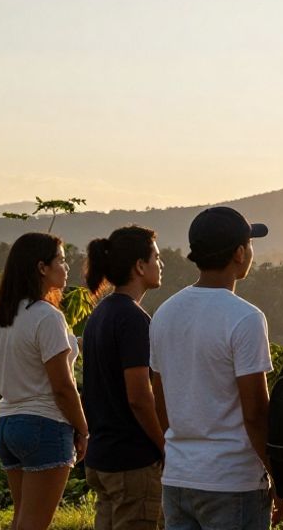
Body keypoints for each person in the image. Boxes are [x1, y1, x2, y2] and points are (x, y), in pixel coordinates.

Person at [150, 207, 283, 530]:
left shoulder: (165, 314)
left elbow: (161, 400)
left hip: (179, 476)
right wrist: (276, 472)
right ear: (240, 253)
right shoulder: (245, 318)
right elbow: (255, 412)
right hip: (232, 481)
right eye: (249, 244)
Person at [0, 232, 89, 530]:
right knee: (33, 524)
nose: (66, 266)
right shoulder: (47, 316)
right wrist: (83, 428)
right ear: (41, 268)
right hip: (43, 424)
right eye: (60, 260)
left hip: (8, 424)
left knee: (21, 520)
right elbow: (62, 385)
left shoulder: (0, 317)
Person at [82, 225, 168, 529]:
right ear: (140, 266)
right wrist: (164, 444)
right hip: (132, 462)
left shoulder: (100, 314)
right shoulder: (133, 319)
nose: (161, 264)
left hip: (102, 457)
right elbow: (139, 396)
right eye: (156, 257)